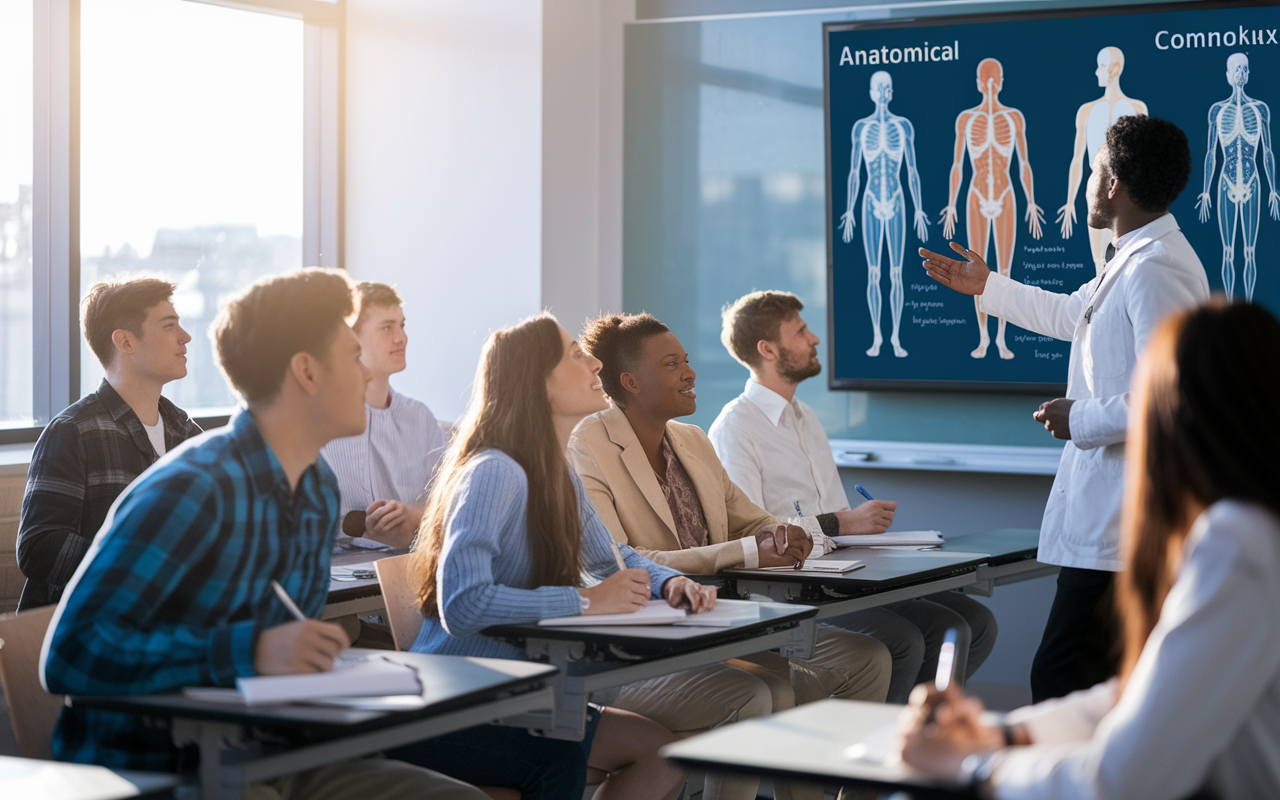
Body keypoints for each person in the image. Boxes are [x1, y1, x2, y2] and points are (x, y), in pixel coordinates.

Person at [40, 268, 485, 799]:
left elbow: (279, 651)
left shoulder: (316, 488)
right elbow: (70, 653)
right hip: (162, 765)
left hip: (272, 752)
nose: (368, 375)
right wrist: (249, 650)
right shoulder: (192, 487)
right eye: (351, 356)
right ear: (307, 372)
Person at [897, 300, 1280, 800]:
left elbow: (1124, 780)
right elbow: (1150, 693)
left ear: (1173, 415)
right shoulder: (1254, 526)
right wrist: (1003, 734)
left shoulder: (1237, 540)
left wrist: (973, 766)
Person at [920, 114, 1210, 702]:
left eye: (1094, 170)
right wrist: (988, 287)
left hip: (1128, 527)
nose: (1085, 183)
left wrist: (1078, 418)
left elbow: (1172, 399)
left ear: (1112, 185)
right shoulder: (1131, 258)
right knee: (1092, 686)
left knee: (1061, 678)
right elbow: (1068, 315)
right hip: (1114, 525)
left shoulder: (1157, 269)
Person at [568, 312, 892, 800]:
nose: (690, 373)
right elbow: (621, 560)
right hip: (649, 640)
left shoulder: (693, 441)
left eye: (687, 360)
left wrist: (782, 536)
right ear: (631, 382)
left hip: (725, 623)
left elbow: (751, 519)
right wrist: (748, 549)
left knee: (870, 657)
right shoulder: (588, 444)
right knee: (767, 691)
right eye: (672, 364)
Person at [402, 312, 699, 800]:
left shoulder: (556, 473)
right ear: (538, 382)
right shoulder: (495, 471)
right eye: (576, 356)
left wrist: (669, 583)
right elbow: (463, 604)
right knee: (559, 755)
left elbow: (611, 558)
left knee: (661, 754)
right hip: (454, 704)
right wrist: (585, 603)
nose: (595, 362)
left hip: (518, 693)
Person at [710, 289, 997, 703]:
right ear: (767, 349)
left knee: (973, 620)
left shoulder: (806, 418)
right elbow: (756, 538)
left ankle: (921, 734)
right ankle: (882, 751)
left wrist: (870, 531)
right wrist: (844, 523)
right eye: (802, 331)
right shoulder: (735, 429)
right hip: (792, 591)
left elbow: (839, 516)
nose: (815, 340)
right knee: (903, 639)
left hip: (844, 575)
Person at [16, 277, 202, 611]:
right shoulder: (72, 431)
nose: (185, 336)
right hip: (90, 633)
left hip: (170, 624)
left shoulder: (187, 434)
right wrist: (139, 563)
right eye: (169, 325)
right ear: (126, 341)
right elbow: (38, 548)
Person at [321, 282, 448, 550]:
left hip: (410, 563)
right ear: (350, 339)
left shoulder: (420, 418)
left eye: (402, 325)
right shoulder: (318, 421)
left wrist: (414, 513)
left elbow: (449, 497)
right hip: (339, 571)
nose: (401, 337)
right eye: (387, 327)